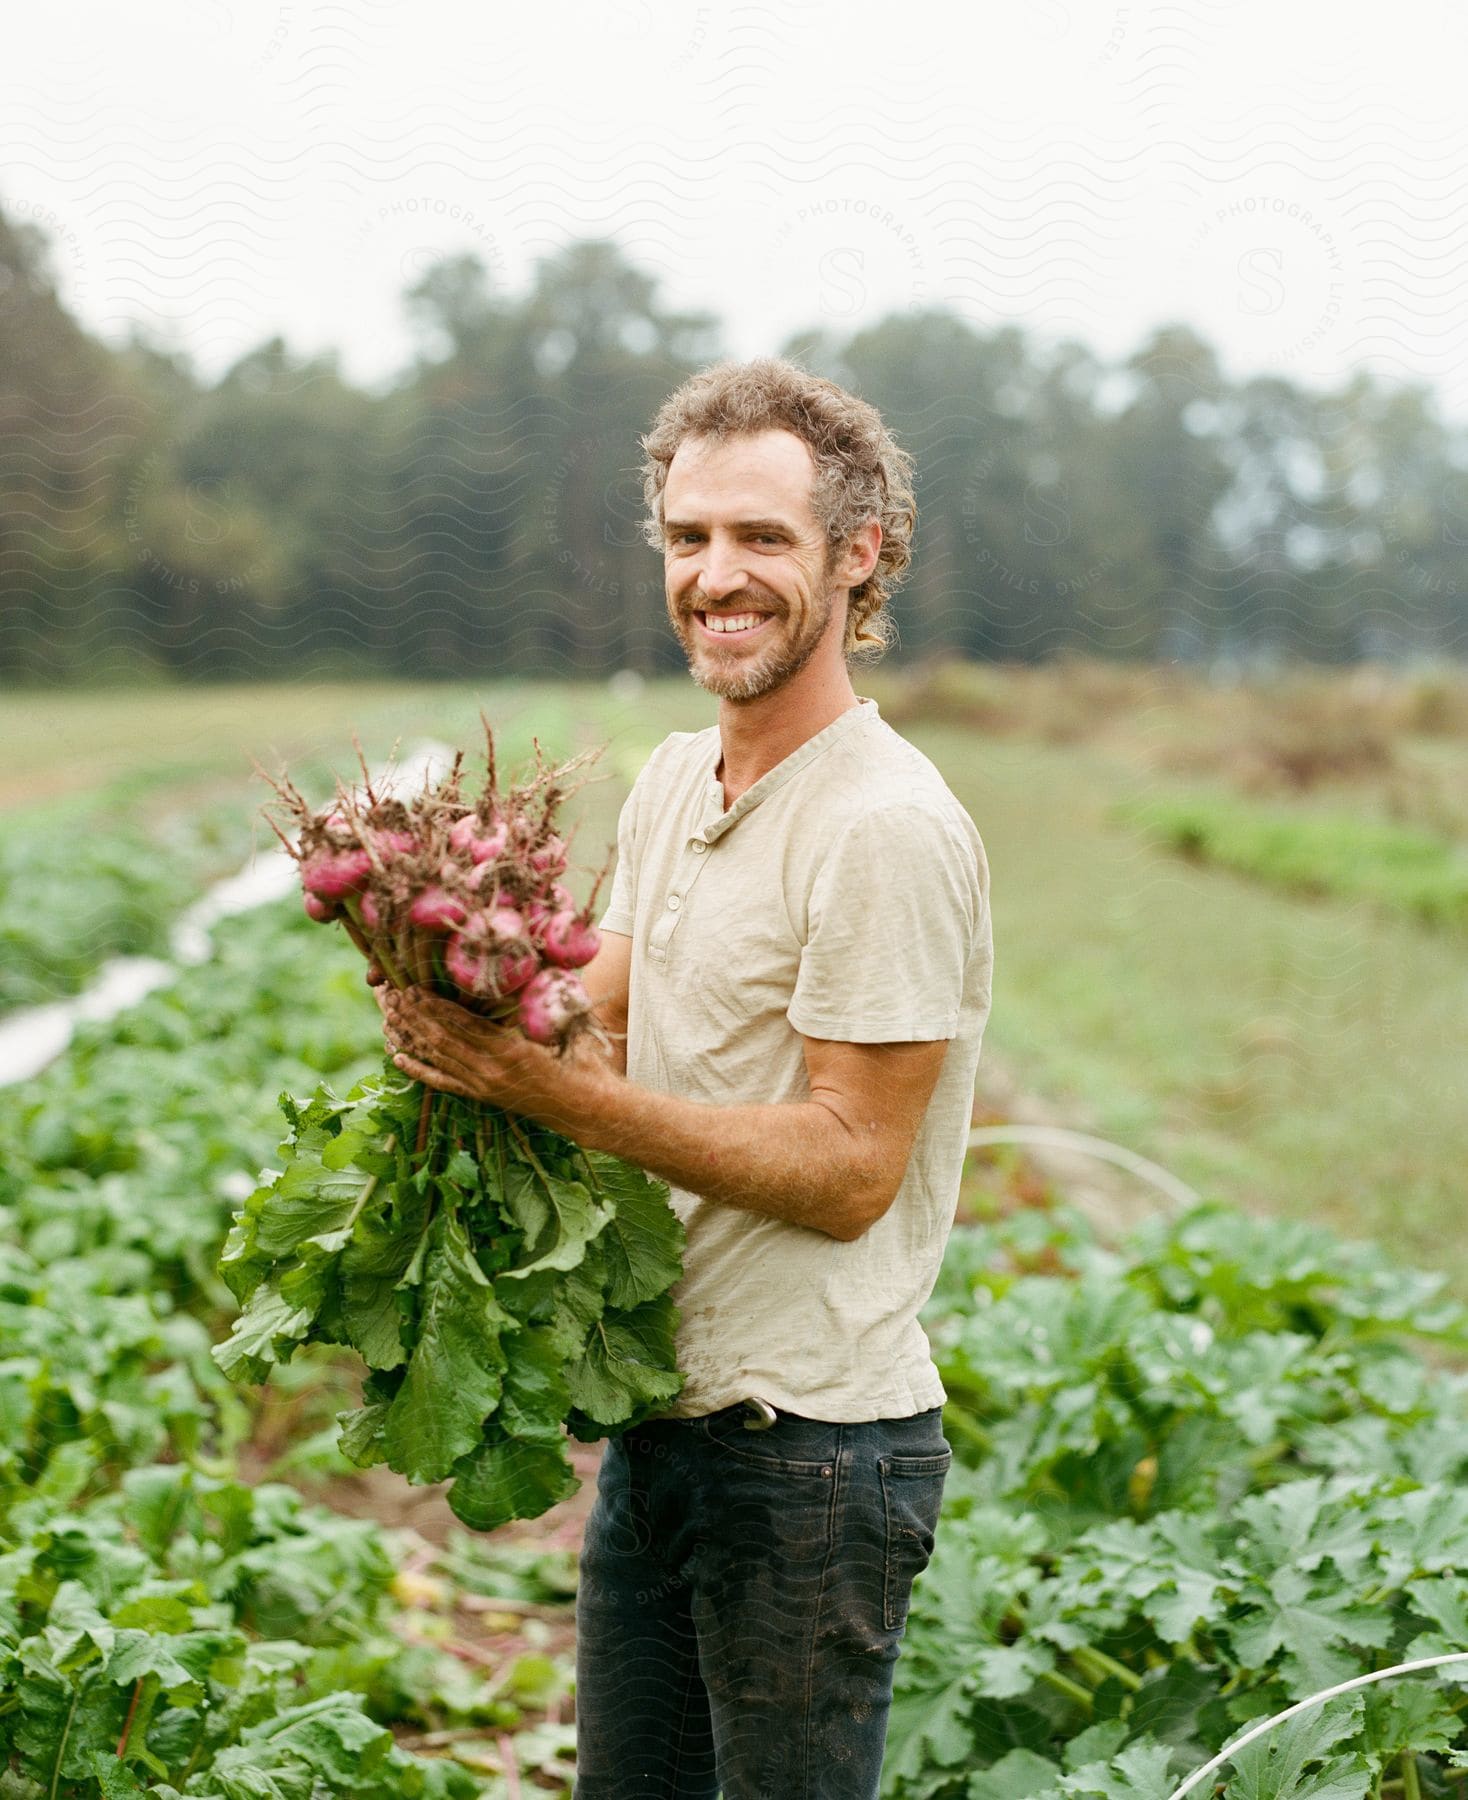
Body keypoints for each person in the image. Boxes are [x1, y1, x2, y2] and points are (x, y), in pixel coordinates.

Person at [379, 356, 994, 1798]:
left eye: (762, 538)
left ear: (861, 556)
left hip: (814, 1462)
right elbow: (582, 1017)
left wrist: (562, 1099)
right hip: (663, 1432)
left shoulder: (886, 827)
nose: (718, 575)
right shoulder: (675, 782)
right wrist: (437, 962)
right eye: (689, 535)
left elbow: (851, 1171)